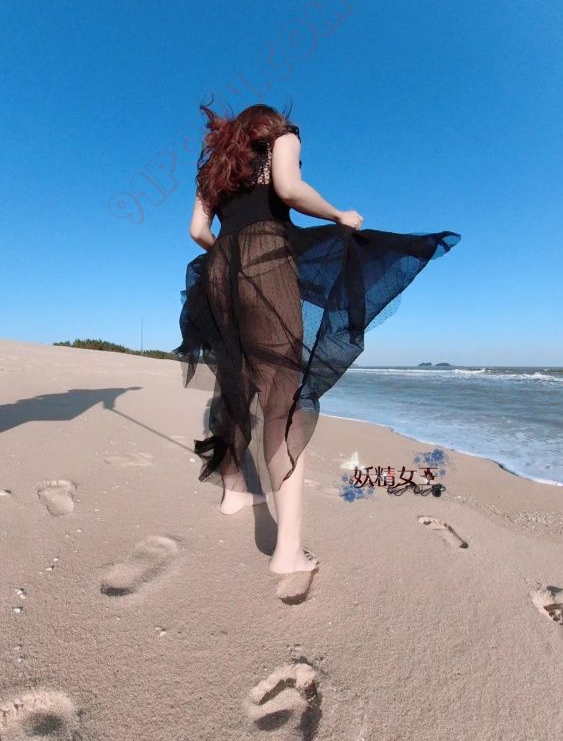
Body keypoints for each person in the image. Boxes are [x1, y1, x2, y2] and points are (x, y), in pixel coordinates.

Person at [172, 101, 461, 578]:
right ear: (270, 128)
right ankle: (287, 551)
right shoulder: (281, 137)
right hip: (266, 261)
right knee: (282, 401)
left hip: (219, 272)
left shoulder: (215, 169)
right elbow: (289, 189)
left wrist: (230, 254)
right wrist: (337, 214)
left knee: (235, 383)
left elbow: (197, 231)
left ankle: (234, 493)